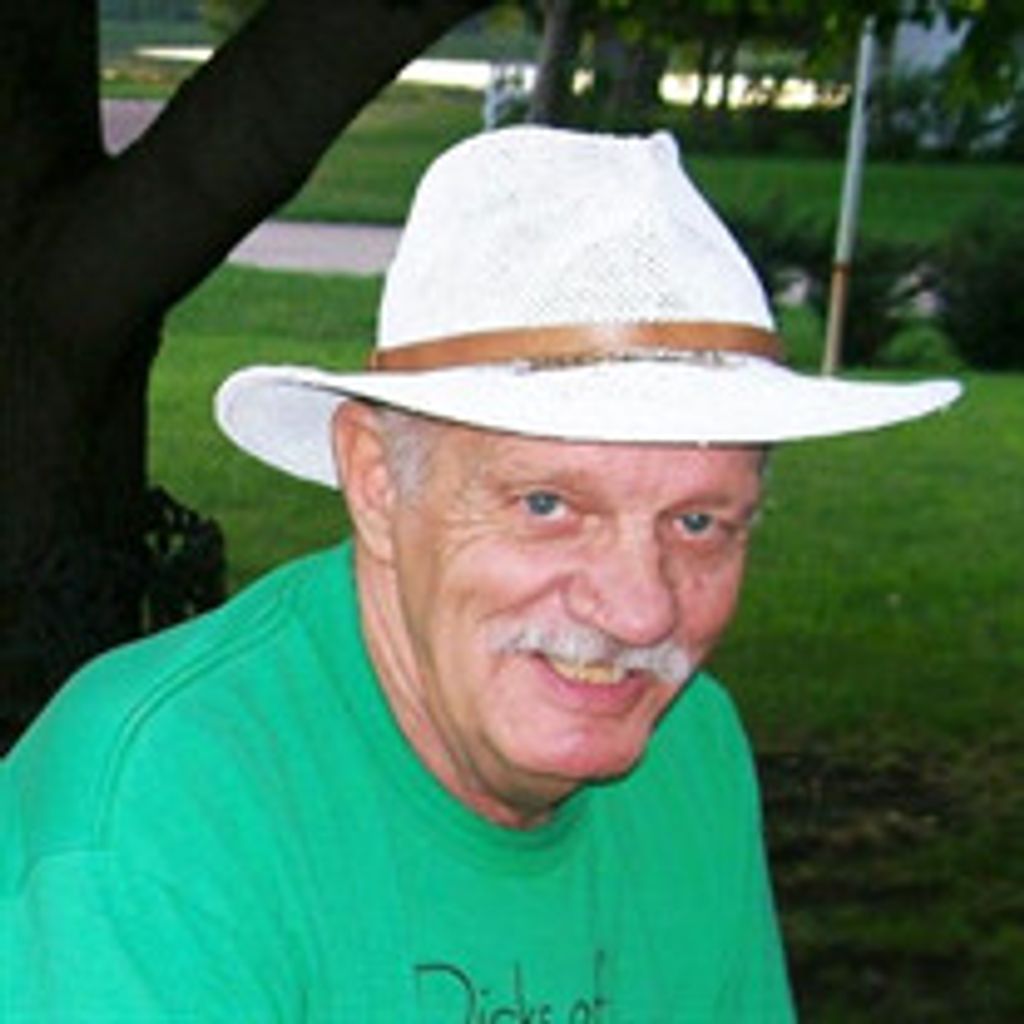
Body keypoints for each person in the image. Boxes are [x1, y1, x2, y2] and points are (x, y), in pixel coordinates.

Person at [2, 126, 959, 1021]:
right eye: (548, 505)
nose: (639, 611)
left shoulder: (692, 754)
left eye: (699, 522)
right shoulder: (160, 810)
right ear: (378, 482)